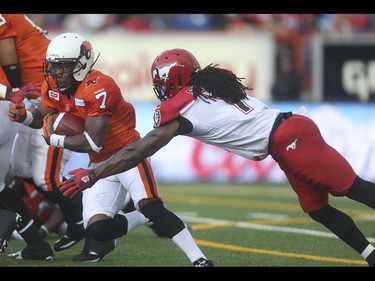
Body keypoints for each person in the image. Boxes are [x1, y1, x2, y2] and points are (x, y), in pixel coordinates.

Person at [60, 48, 375, 267]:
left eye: (160, 82)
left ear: (170, 81)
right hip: (286, 139)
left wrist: (94, 173)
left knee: (352, 187)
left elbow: (139, 148)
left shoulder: (180, 107)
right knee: (317, 209)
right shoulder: (210, 86)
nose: (159, 89)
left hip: (290, 138)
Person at [8, 33, 213, 266]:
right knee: (97, 230)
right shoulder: (53, 86)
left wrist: (54, 139)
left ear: (81, 63)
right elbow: (41, 116)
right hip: (99, 164)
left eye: (63, 66)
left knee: (152, 206)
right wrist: (25, 118)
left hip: (128, 155)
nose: (56, 72)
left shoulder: (99, 87)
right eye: (54, 65)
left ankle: (199, 259)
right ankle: (141, 217)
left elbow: (93, 141)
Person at [0, 14, 88, 260]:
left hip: (45, 93)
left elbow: (8, 55)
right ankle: (45, 239)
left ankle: (82, 222)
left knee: (46, 178)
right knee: (20, 168)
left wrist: (14, 92)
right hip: (29, 94)